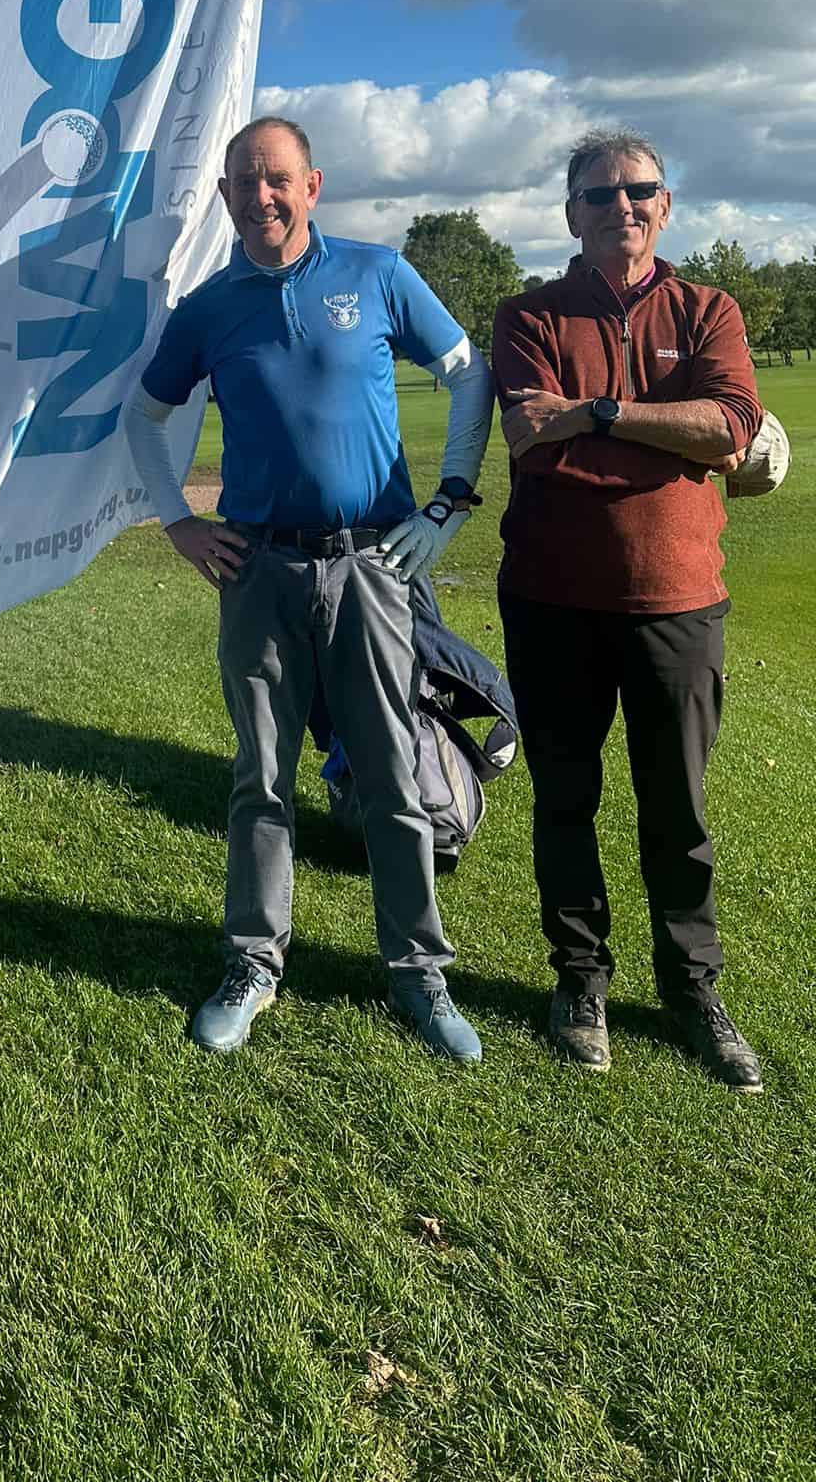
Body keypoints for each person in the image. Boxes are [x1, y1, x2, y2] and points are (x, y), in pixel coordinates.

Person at [125, 118, 495, 1061]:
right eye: (245, 182)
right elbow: (144, 414)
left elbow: (468, 374)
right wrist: (177, 519)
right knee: (261, 777)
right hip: (258, 570)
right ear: (225, 196)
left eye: (278, 178)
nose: (262, 197)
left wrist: (449, 501)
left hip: (374, 566)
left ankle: (419, 972)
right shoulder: (208, 308)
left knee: (392, 774)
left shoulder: (376, 275)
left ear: (313, 184)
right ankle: (255, 962)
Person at [491, 129, 765, 1092]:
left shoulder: (708, 308)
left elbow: (731, 428)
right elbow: (533, 442)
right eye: (599, 195)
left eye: (639, 190)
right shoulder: (527, 314)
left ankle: (692, 989)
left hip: (678, 600)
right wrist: (670, 437)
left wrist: (600, 413)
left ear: (666, 202)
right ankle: (579, 980)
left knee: (678, 810)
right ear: (571, 213)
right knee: (565, 799)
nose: (622, 207)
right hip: (551, 598)